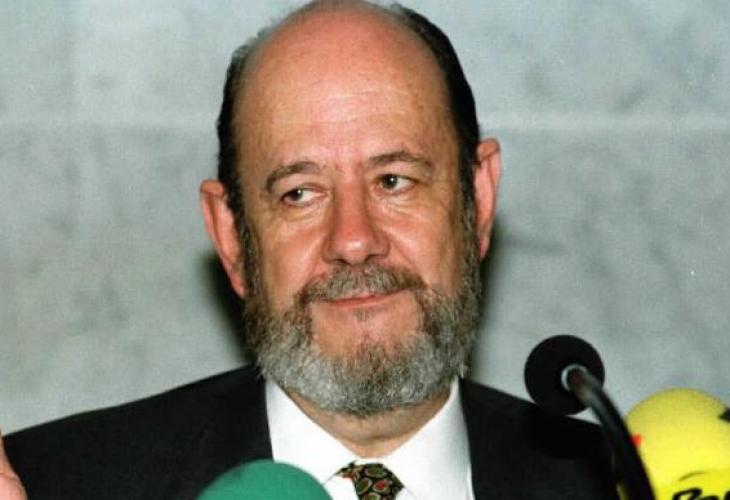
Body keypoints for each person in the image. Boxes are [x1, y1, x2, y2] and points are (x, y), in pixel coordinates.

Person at [1, 1, 618, 498]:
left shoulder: (625, 485)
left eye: (393, 181)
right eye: (299, 193)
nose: (354, 240)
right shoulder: (53, 485)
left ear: (477, 200)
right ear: (231, 237)